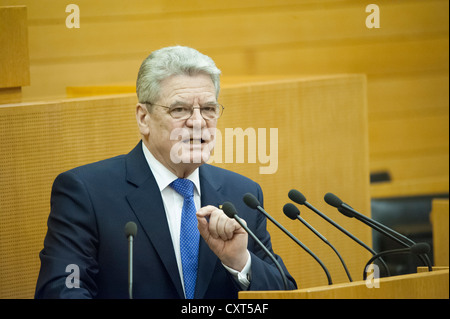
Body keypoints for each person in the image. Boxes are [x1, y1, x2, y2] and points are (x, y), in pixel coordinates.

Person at [35, 46, 296, 299]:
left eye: (208, 109)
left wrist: (240, 262)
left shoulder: (241, 195)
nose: (197, 122)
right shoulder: (86, 193)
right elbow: (61, 290)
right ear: (143, 118)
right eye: (179, 109)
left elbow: (285, 293)